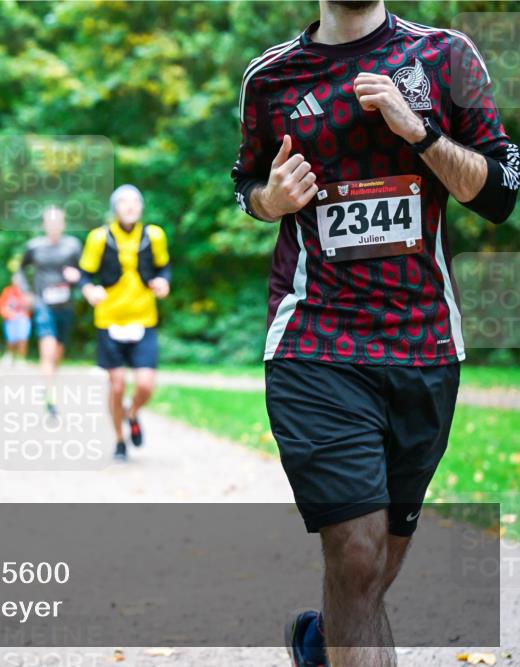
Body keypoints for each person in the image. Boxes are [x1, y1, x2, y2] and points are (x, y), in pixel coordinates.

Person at [231, 1, 517, 665]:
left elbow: (503, 191)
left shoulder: (447, 59)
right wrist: (270, 199)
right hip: (315, 340)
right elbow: (244, 181)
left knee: (376, 565)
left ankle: (321, 646)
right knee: (355, 555)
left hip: (424, 345)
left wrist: (418, 131)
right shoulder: (270, 78)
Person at [79, 184, 171, 461]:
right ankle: (119, 440)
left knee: (145, 384)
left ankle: (132, 412)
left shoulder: (154, 235)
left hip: (144, 319)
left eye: (135, 202)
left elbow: (164, 266)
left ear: (141, 207)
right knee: (117, 384)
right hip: (109, 320)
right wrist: (89, 290)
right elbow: (85, 274)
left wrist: (163, 282)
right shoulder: (99, 237)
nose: (130, 206)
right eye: (124, 202)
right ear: (114, 208)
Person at [16, 205, 83, 416]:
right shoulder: (34, 247)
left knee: (57, 353)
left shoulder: (73, 246)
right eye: (49, 222)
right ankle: (50, 397)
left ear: (63, 224)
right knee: (48, 350)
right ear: (44, 225)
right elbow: (19, 271)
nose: (53, 226)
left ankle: (50, 382)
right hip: (43, 305)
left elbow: (87, 272)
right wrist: (26, 292)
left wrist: (77, 275)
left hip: (65, 306)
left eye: (57, 222)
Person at [0, 273, 32, 366]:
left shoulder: (26, 293)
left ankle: (21, 358)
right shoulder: (7, 291)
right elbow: (1, 305)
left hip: (23, 319)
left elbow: (31, 306)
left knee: (23, 338)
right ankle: (9, 355)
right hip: (10, 319)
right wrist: (7, 314)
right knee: (10, 339)